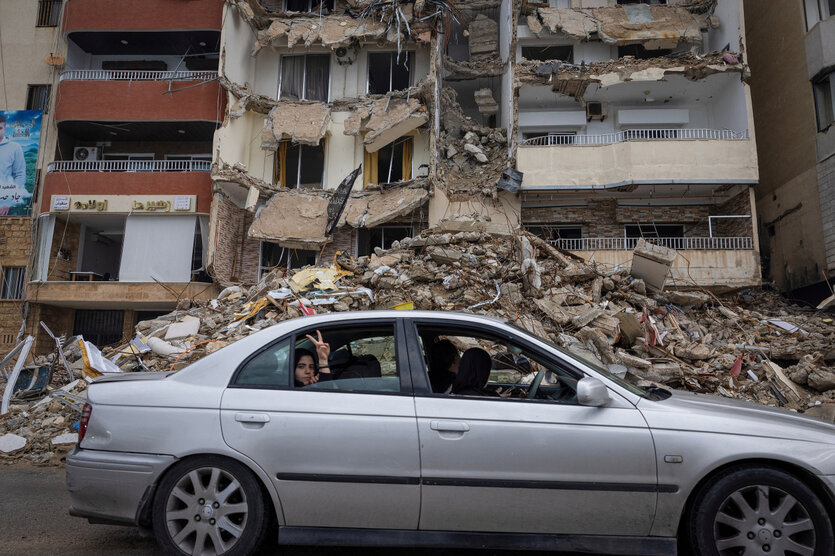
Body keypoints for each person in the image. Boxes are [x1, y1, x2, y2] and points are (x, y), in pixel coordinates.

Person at [0, 114, 26, 217]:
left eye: (0, 128)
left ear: (5, 128)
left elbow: (20, 175)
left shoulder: (15, 147)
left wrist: (8, 202)